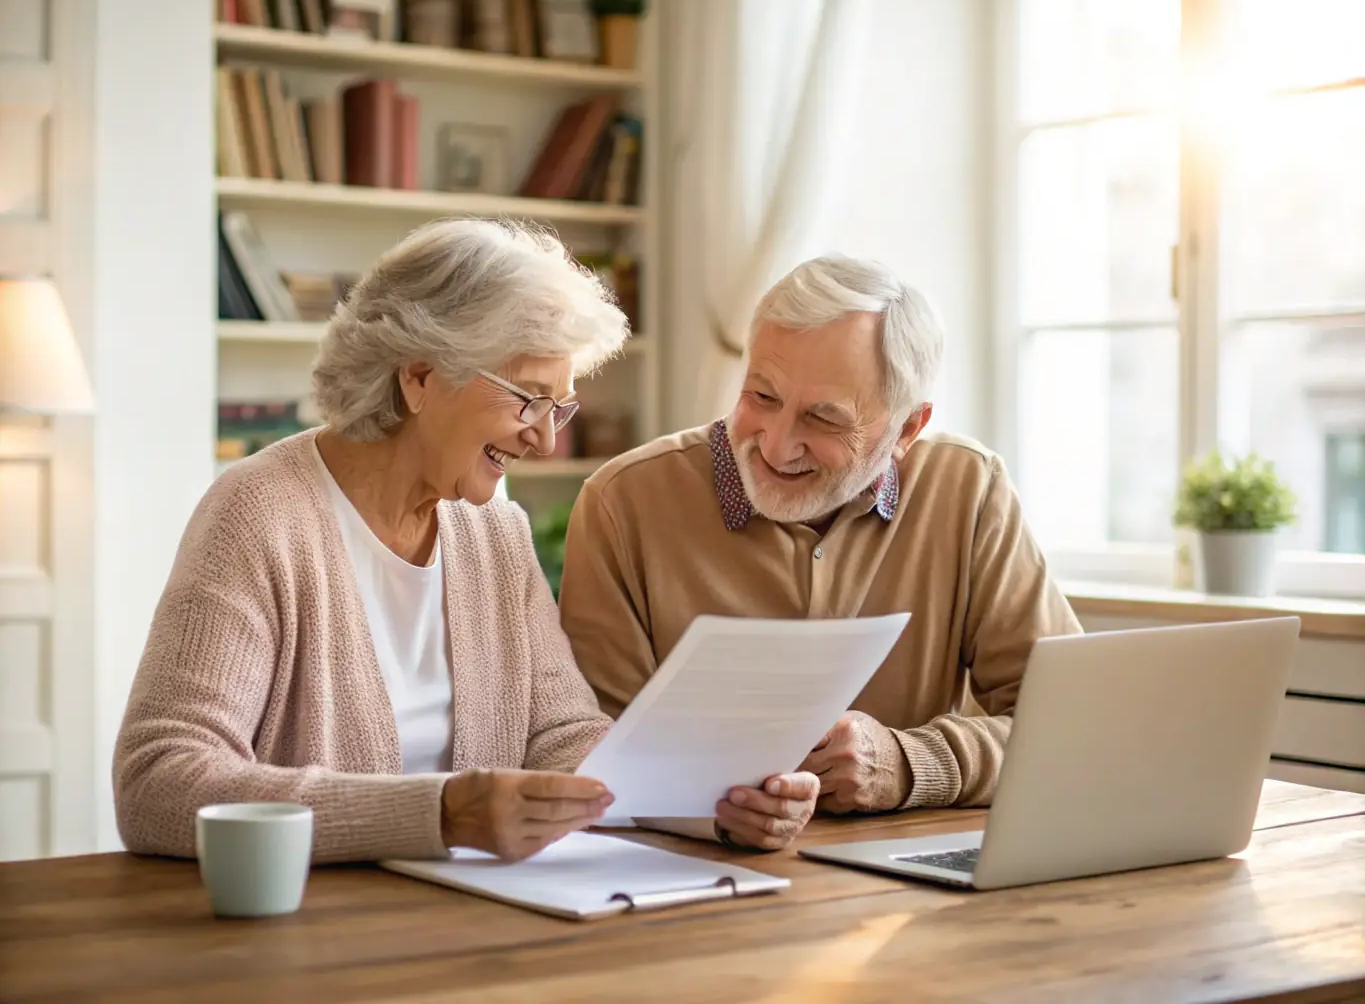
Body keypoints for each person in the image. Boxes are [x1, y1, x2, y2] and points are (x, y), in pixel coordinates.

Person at [113, 219, 817, 865]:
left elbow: (560, 735)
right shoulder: (260, 513)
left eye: (561, 405)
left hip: (477, 914)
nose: (546, 438)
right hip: (312, 925)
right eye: (528, 398)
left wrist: (714, 807)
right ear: (419, 377)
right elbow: (159, 780)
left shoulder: (492, 528)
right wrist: (440, 813)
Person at [559, 254, 1082, 822]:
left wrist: (911, 764)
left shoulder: (969, 489)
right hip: (682, 881)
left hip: (905, 887)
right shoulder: (623, 502)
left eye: (825, 420)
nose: (777, 446)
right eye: (762, 397)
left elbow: (1074, 728)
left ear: (908, 428)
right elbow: (594, 760)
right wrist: (722, 815)